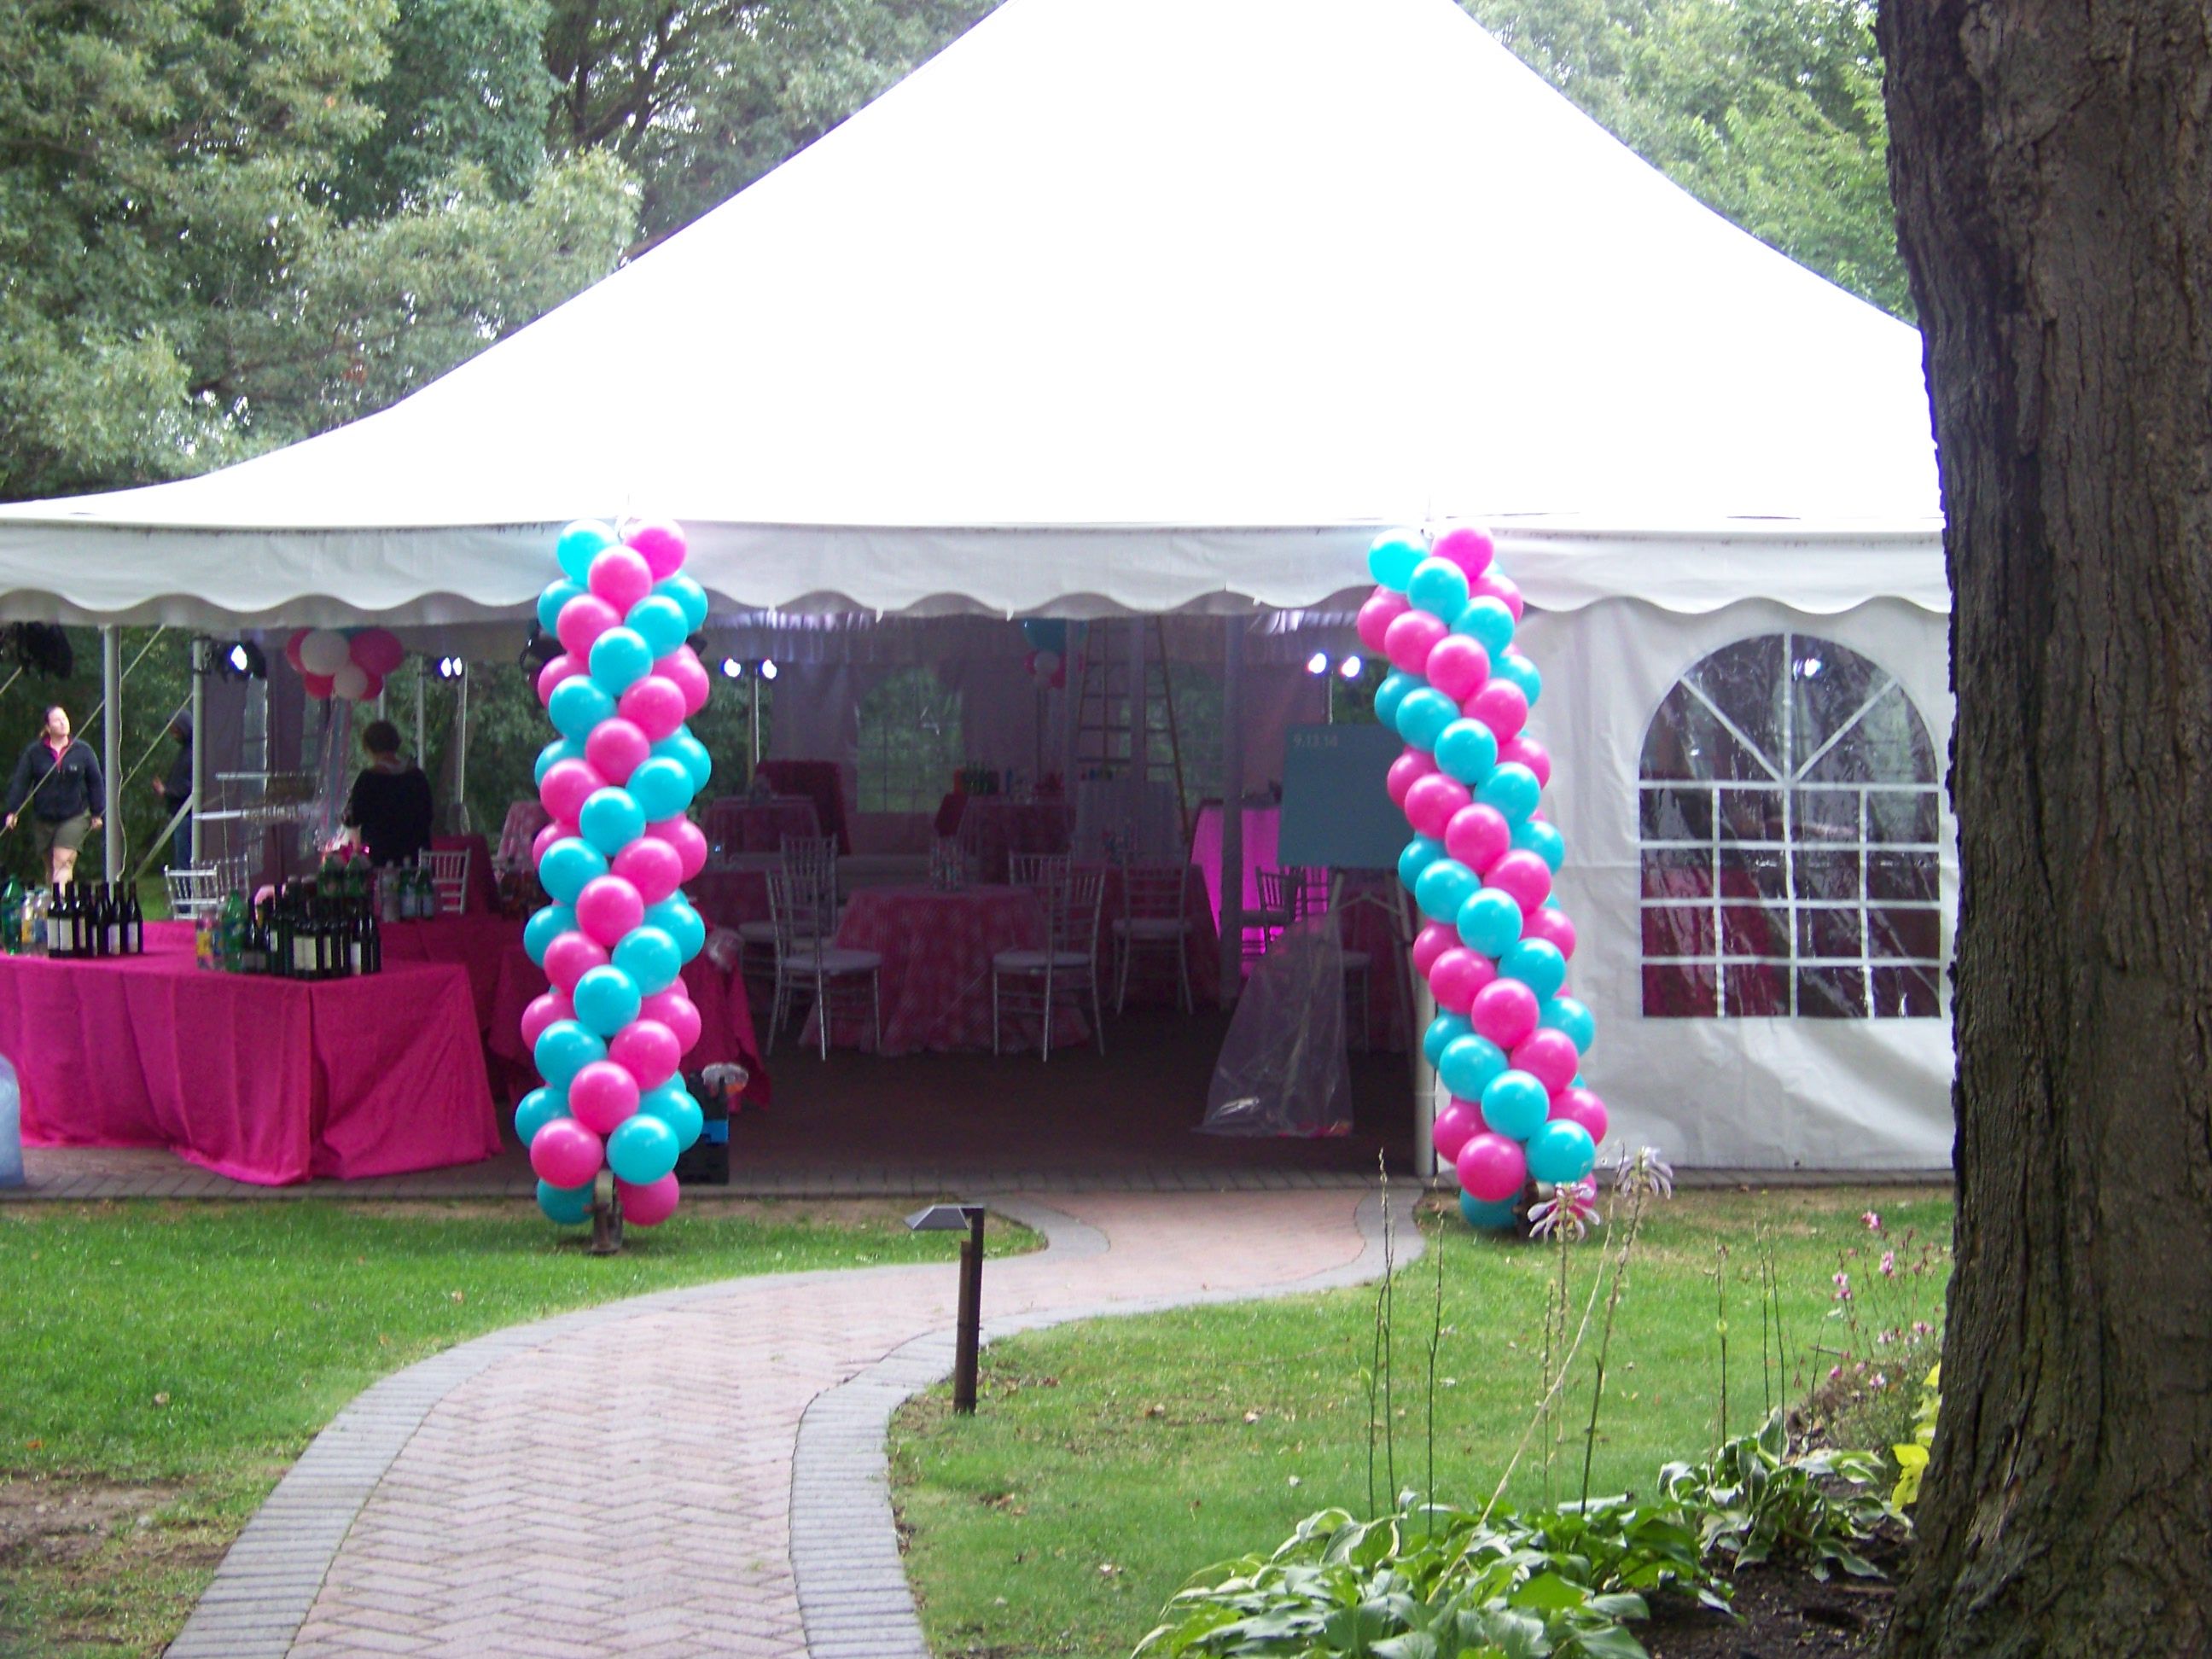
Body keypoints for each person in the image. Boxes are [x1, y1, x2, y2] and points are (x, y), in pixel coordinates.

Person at [3, 707, 106, 887]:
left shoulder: (83, 750)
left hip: (75, 815)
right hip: (44, 817)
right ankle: (55, 901)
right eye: (57, 720)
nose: (63, 723)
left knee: (63, 861)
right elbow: (21, 782)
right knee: (51, 867)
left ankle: (61, 903)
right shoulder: (34, 753)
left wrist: (98, 812)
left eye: (64, 718)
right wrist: (13, 810)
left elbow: (95, 782)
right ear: (48, 727)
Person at [341, 720, 435, 869]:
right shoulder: (417, 776)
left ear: (369, 748)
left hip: (383, 857)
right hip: (418, 855)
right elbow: (429, 815)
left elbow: (351, 817)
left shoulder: (369, 779)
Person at [151, 712, 194, 868]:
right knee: (182, 859)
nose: (173, 736)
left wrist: (166, 791)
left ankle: (185, 885)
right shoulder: (185, 752)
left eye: (175, 731)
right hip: (180, 813)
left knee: (184, 862)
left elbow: (192, 787)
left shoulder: (193, 753)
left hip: (187, 815)